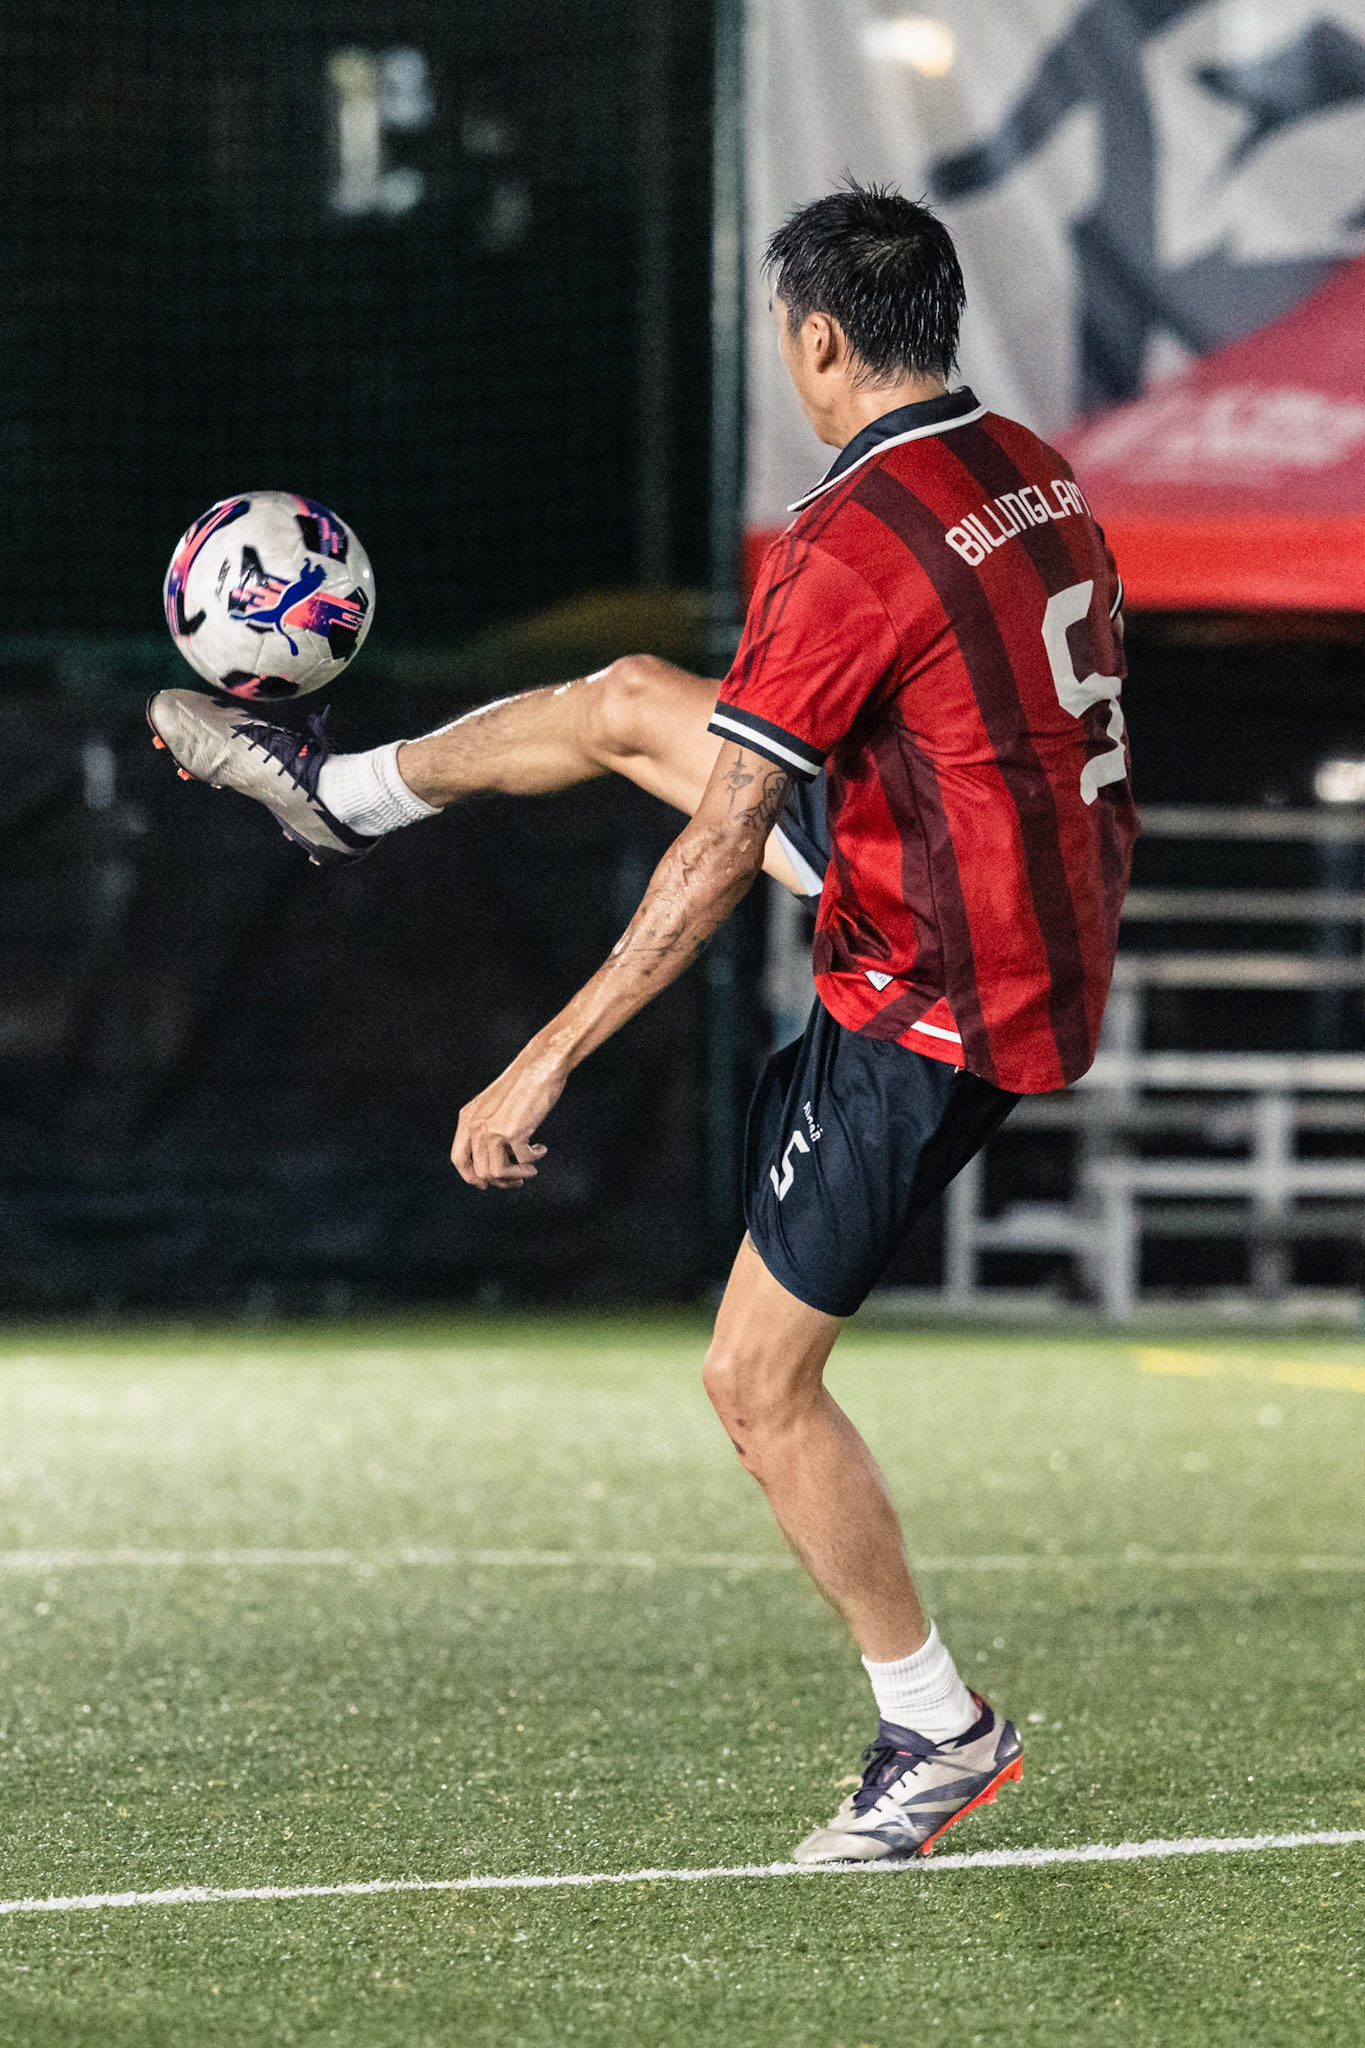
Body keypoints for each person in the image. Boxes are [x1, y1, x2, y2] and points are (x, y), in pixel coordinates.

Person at [147, 183, 1137, 1863]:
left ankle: (936, 1731)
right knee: (622, 698)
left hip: (947, 992)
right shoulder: (1018, 463)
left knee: (756, 1386)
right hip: (1008, 888)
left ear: (815, 338)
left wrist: (542, 1053)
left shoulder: (849, 545)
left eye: (780, 333)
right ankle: (343, 798)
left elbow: (717, 848)